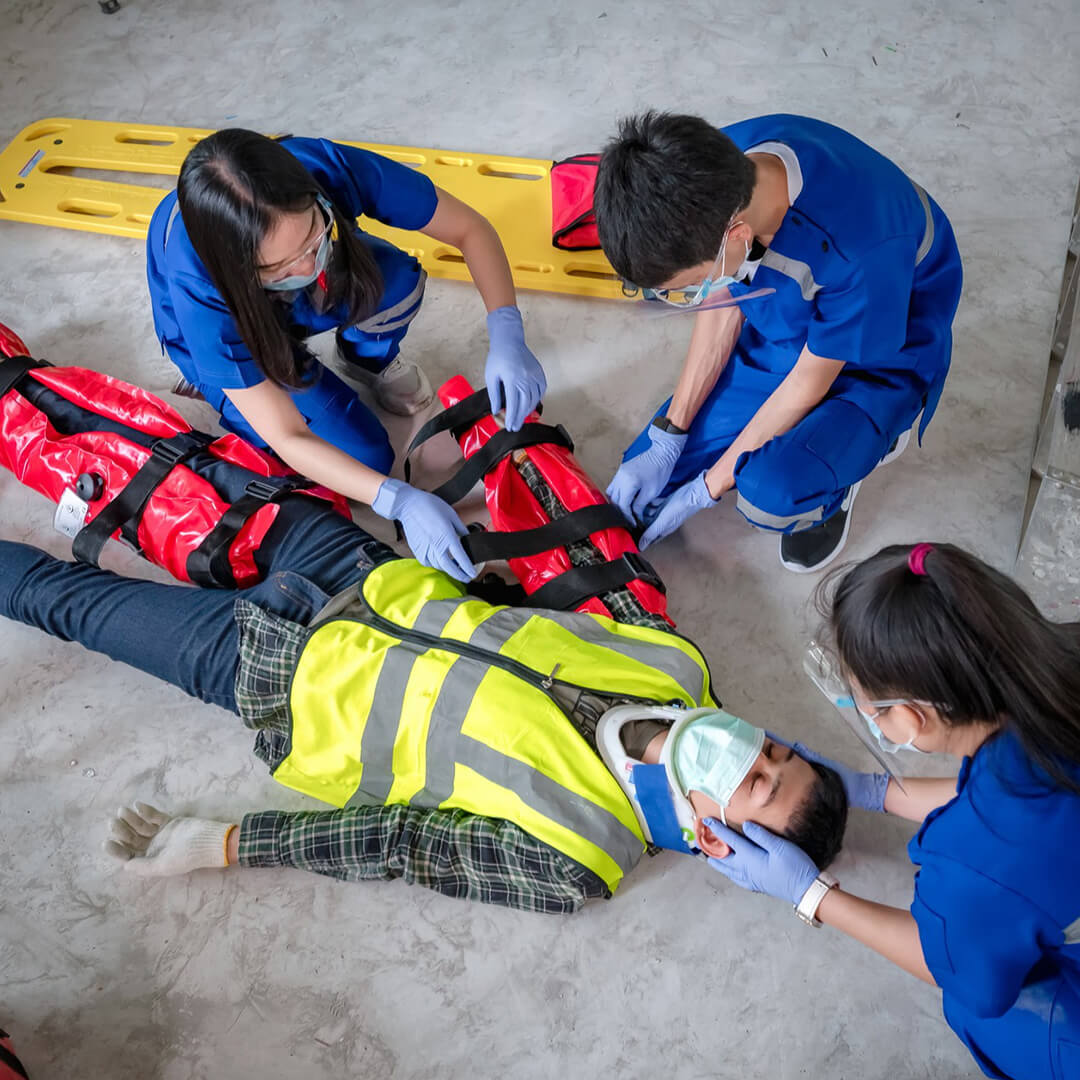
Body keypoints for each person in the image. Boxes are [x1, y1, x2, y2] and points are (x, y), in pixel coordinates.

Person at [0, 456, 846, 915]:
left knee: (62, 599)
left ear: (728, 848)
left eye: (759, 786)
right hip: (357, 570)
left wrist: (223, 844)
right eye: (774, 748)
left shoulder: (581, 856)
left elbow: (402, 847)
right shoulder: (678, 664)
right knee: (160, 468)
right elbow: (598, 569)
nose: (747, 755)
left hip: (275, 676)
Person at [705, 543, 1080, 1080]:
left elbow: (951, 964)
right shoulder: (1052, 666)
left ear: (908, 717)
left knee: (980, 1013)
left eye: (866, 705)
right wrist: (878, 790)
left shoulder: (979, 864)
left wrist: (811, 895)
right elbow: (1027, 784)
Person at [146, 128, 548, 581]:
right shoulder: (198, 288)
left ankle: (363, 359)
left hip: (269, 293)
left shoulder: (321, 166)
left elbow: (470, 228)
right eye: (279, 267)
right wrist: (398, 501)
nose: (305, 267)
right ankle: (227, 386)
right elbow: (288, 437)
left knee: (396, 281)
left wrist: (508, 333)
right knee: (366, 460)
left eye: (313, 239)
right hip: (234, 328)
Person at [595, 113, 963, 572]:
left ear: (738, 236)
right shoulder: (707, 170)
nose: (687, 298)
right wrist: (670, 431)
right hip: (792, 324)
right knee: (651, 478)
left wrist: (705, 489)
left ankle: (847, 472)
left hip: (882, 348)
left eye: (688, 285)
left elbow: (808, 383)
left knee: (772, 491)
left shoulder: (857, 248)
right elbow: (725, 294)